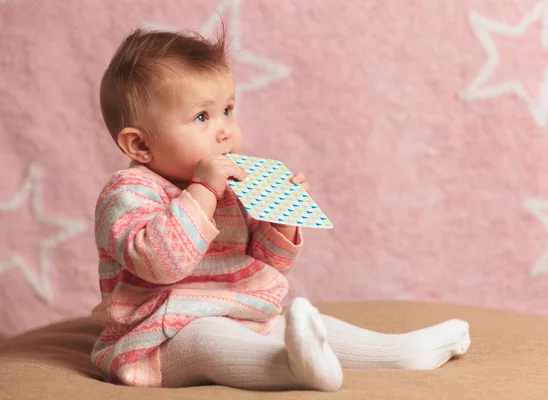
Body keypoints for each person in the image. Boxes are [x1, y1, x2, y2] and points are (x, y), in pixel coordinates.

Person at [91, 27, 471, 391]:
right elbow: (161, 263)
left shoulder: (228, 187)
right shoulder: (128, 193)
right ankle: (291, 367)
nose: (225, 130)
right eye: (202, 117)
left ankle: (397, 354)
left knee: (296, 323)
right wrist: (202, 190)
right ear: (140, 146)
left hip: (242, 315)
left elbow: (262, 267)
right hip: (158, 337)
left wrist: (280, 222)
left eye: (228, 110)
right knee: (209, 337)